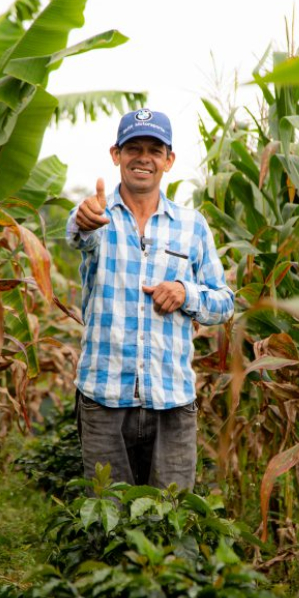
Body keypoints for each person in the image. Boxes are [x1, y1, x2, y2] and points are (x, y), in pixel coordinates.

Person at [65, 108, 234, 490]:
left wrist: (185, 292)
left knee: (170, 519)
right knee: (109, 519)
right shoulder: (98, 216)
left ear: (168, 160)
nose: (144, 158)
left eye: (155, 150)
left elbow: (223, 301)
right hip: (104, 398)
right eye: (133, 148)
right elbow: (78, 234)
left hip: (171, 399)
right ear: (116, 155)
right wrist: (83, 220)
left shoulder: (192, 226)